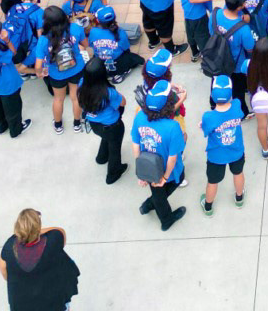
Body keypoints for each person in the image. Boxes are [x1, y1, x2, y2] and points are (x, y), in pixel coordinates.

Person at [130, 80, 188, 230]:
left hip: (148, 166)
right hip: (167, 169)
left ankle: (149, 205)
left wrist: (141, 172)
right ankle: (166, 220)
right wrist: (165, 177)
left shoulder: (140, 116)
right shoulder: (173, 126)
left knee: (156, 190)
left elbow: (135, 144)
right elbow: (173, 157)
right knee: (177, 179)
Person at [0, 208, 80, 311]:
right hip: (53, 303)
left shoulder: (9, 247)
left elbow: (5, 274)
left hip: (22, 305)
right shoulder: (54, 239)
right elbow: (60, 231)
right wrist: (35, 231)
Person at [31, 5, 87, 135]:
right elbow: (85, 44)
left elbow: (38, 65)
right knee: (76, 97)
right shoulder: (76, 28)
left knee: (58, 99)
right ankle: (77, 124)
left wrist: (40, 73)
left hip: (57, 74)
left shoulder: (44, 40)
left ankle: (58, 125)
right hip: (77, 69)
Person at [200, 74, 247, 214]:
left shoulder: (208, 116)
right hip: (236, 151)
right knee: (238, 173)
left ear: (213, 96)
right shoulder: (237, 104)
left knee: (213, 182)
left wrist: (202, 125)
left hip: (216, 156)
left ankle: (208, 206)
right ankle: (239, 198)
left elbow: (206, 130)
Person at [77, 58, 127, 184]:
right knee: (115, 148)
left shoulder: (81, 83)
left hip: (94, 123)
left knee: (106, 138)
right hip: (112, 125)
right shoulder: (108, 92)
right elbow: (123, 102)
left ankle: (102, 157)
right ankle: (113, 174)